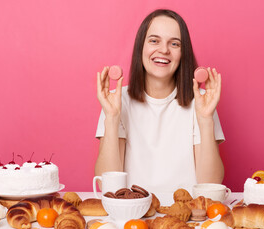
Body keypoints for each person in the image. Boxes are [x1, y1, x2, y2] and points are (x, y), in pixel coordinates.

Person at [95, 9, 225, 193]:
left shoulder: (201, 101)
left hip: (187, 216)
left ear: (183, 54)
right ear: (141, 47)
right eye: (154, 41)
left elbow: (211, 185)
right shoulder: (117, 100)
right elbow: (107, 187)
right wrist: (112, 117)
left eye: (174, 43)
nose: (164, 50)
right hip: (133, 215)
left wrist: (205, 120)